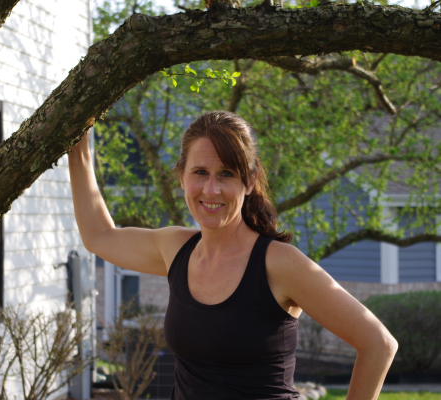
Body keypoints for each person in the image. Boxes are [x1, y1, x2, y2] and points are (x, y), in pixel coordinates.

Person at [68, 111, 398, 400]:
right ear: (181, 176)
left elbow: (378, 344)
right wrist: (76, 144)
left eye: (227, 174)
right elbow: (100, 237)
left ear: (250, 180)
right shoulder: (175, 249)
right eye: (200, 172)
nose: (211, 190)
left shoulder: (280, 264)